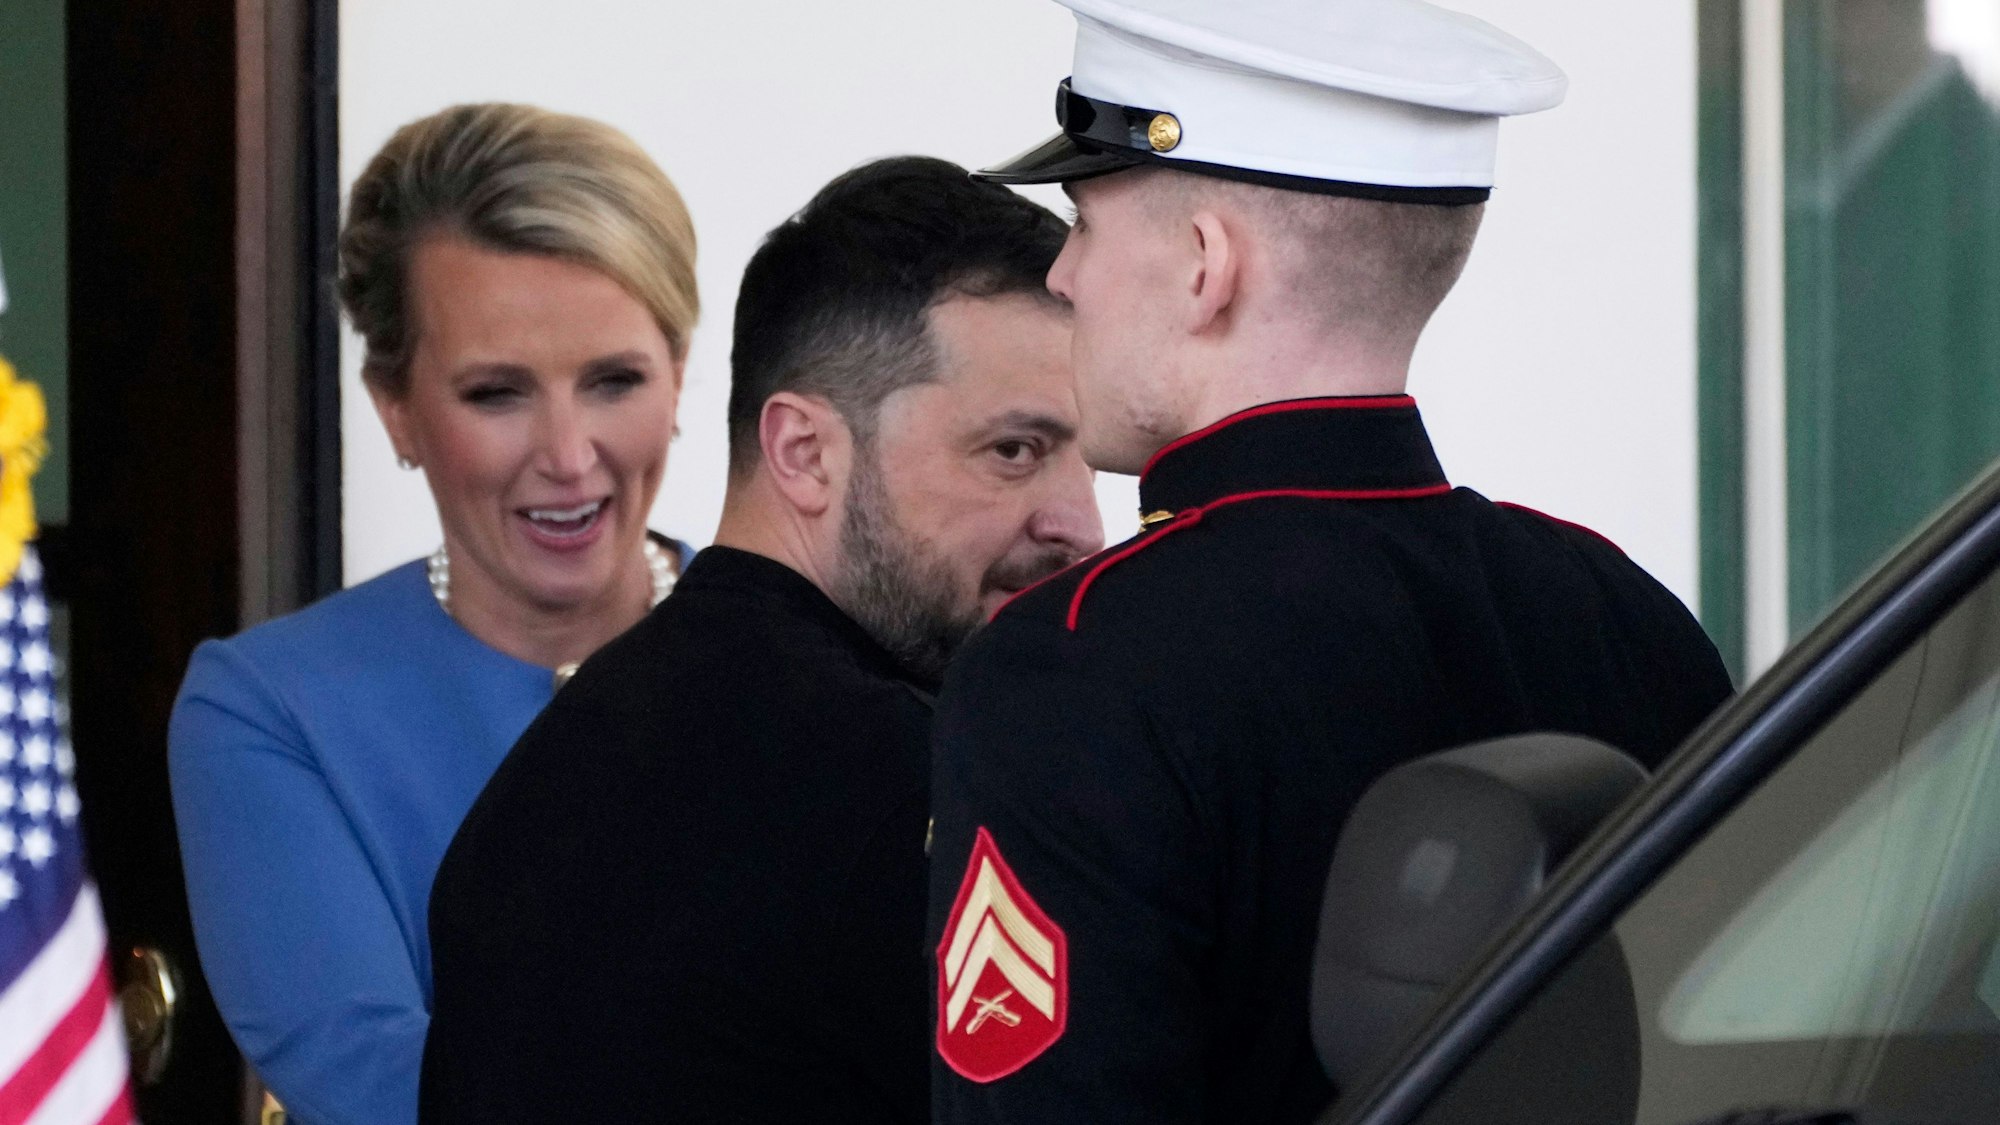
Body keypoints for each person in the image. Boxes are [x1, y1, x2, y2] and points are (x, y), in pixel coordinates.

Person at [924, 2, 1738, 1121]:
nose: (1062, 277)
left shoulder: (1070, 671)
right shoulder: (1626, 617)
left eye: (1084, 221)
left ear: (1205, 267)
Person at [419, 156, 1102, 1124]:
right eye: (1013, 453)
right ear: (804, 452)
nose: (1079, 524)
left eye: (1089, 457)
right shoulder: (906, 781)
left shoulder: (550, 769)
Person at [168, 102, 700, 1125]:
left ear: (677, 376)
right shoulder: (271, 712)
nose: (567, 455)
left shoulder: (830, 654)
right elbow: (387, 1092)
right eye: (497, 393)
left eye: (613, 381)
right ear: (395, 408)